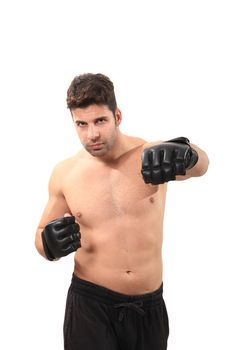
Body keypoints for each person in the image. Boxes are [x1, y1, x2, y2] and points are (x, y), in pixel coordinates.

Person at [35, 73, 209, 350]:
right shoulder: (66, 173)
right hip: (90, 306)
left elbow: (202, 167)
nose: (91, 134)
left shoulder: (151, 155)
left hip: (148, 306)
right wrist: (48, 243)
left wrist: (189, 153)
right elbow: (42, 236)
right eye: (81, 124)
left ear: (117, 116)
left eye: (99, 121)